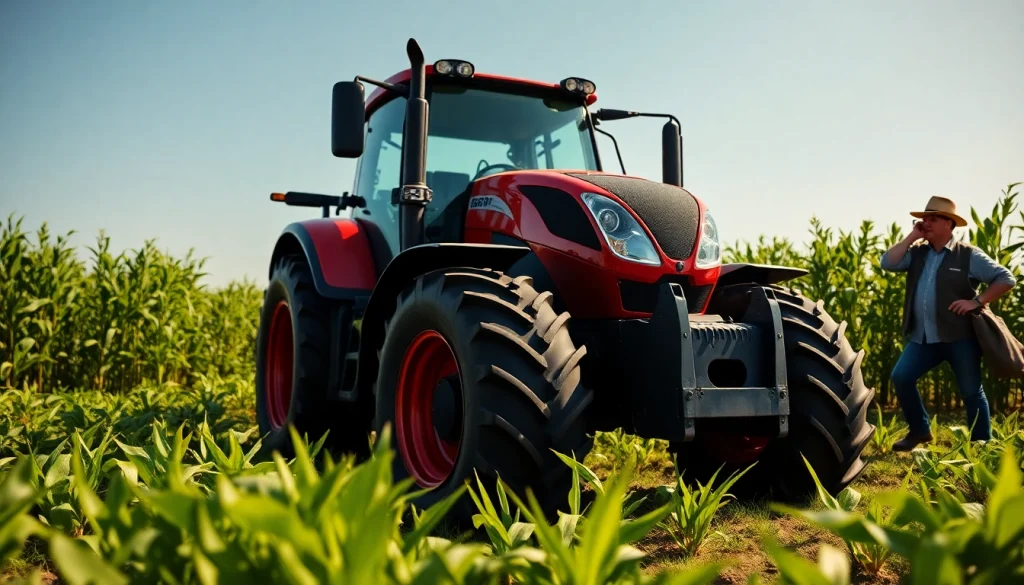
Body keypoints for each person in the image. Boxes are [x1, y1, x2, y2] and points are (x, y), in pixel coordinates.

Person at [879, 196, 1016, 451]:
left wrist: (977, 301)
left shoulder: (969, 255)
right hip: (923, 339)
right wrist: (911, 237)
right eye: (923, 218)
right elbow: (887, 263)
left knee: (971, 391)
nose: (925, 223)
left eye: (932, 219)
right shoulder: (916, 253)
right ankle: (919, 431)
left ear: (949, 224)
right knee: (901, 377)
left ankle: (981, 445)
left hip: (960, 337)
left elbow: (1006, 278)